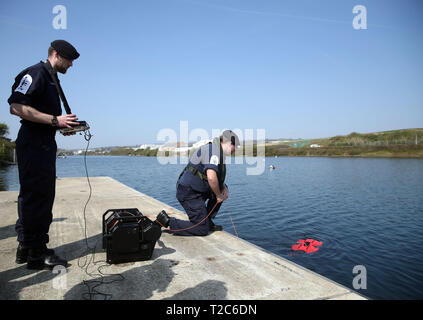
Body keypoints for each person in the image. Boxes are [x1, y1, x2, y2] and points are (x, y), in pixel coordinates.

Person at [8, 40, 80, 269]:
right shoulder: (36, 73)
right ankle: (36, 253)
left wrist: (59, 127)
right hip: (34, 143)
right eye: (68, 59)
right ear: (56, 54)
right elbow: (16, 107)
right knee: (38, 197)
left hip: (42, 142)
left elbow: (42, 117)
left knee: (36, 195)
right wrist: (54, 120)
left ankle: (26, 247)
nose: (70, 64)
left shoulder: (50, 77)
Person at [166, 130, 240, 236]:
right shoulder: (214, 151)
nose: (235, 150)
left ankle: (207, 220)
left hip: (197, 191)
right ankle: (168, 222)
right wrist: (218, 195)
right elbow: (211, 177)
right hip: (189, 193)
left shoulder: (216, 150)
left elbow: (216, 179)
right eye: (235, 146)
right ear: (229, 143)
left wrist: (223, 187)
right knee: (201, 229)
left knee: (221, 189)